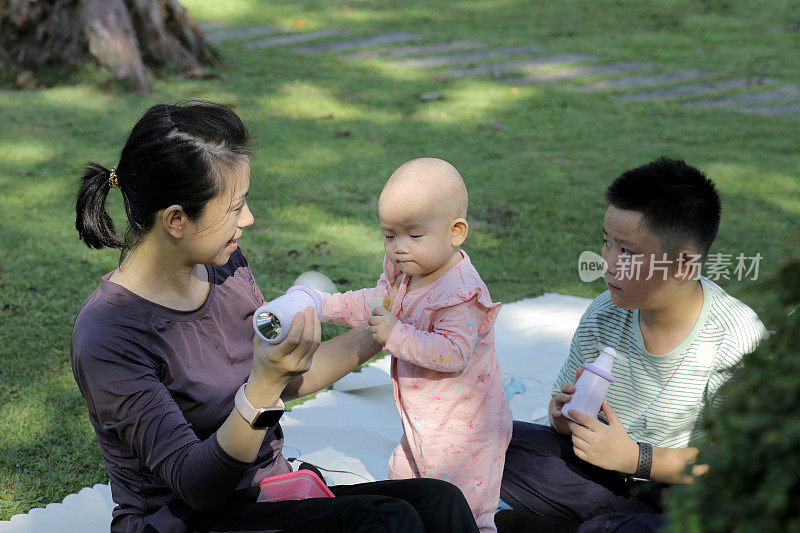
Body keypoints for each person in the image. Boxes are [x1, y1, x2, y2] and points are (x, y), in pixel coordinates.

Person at [71, 102, 480, 533]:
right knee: (387, 523)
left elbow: (286, 375)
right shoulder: (109, 335)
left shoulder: (222, 264)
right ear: (176, 220)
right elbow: (198, 487)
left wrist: (384, 331)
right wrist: (262, 387)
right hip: (185, 519)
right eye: (235, 207)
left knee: (439, 501)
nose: (248, 218)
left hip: (267, 495)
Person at [497, 157, 767, 532]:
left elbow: (741, 465)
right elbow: (564, 412)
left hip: (683, 494)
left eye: (627, 252)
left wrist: (637, 459)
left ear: (684, 265)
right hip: (603, 477)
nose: (607, 263)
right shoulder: (605, 312)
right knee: (492, 439)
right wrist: (562, 415)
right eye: (606, 243)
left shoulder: (736, 339)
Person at [320, 158, 513, 532]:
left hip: (465, 428)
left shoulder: (459, 292)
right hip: (423, 418)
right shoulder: (406, 271)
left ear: (456, 232)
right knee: (406, 479)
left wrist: (395, 334)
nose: (400, 248)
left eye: (414, 236)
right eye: (390, 235)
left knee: (464, 506)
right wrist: (324, 305)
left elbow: (453, 352)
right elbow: (374, 305)